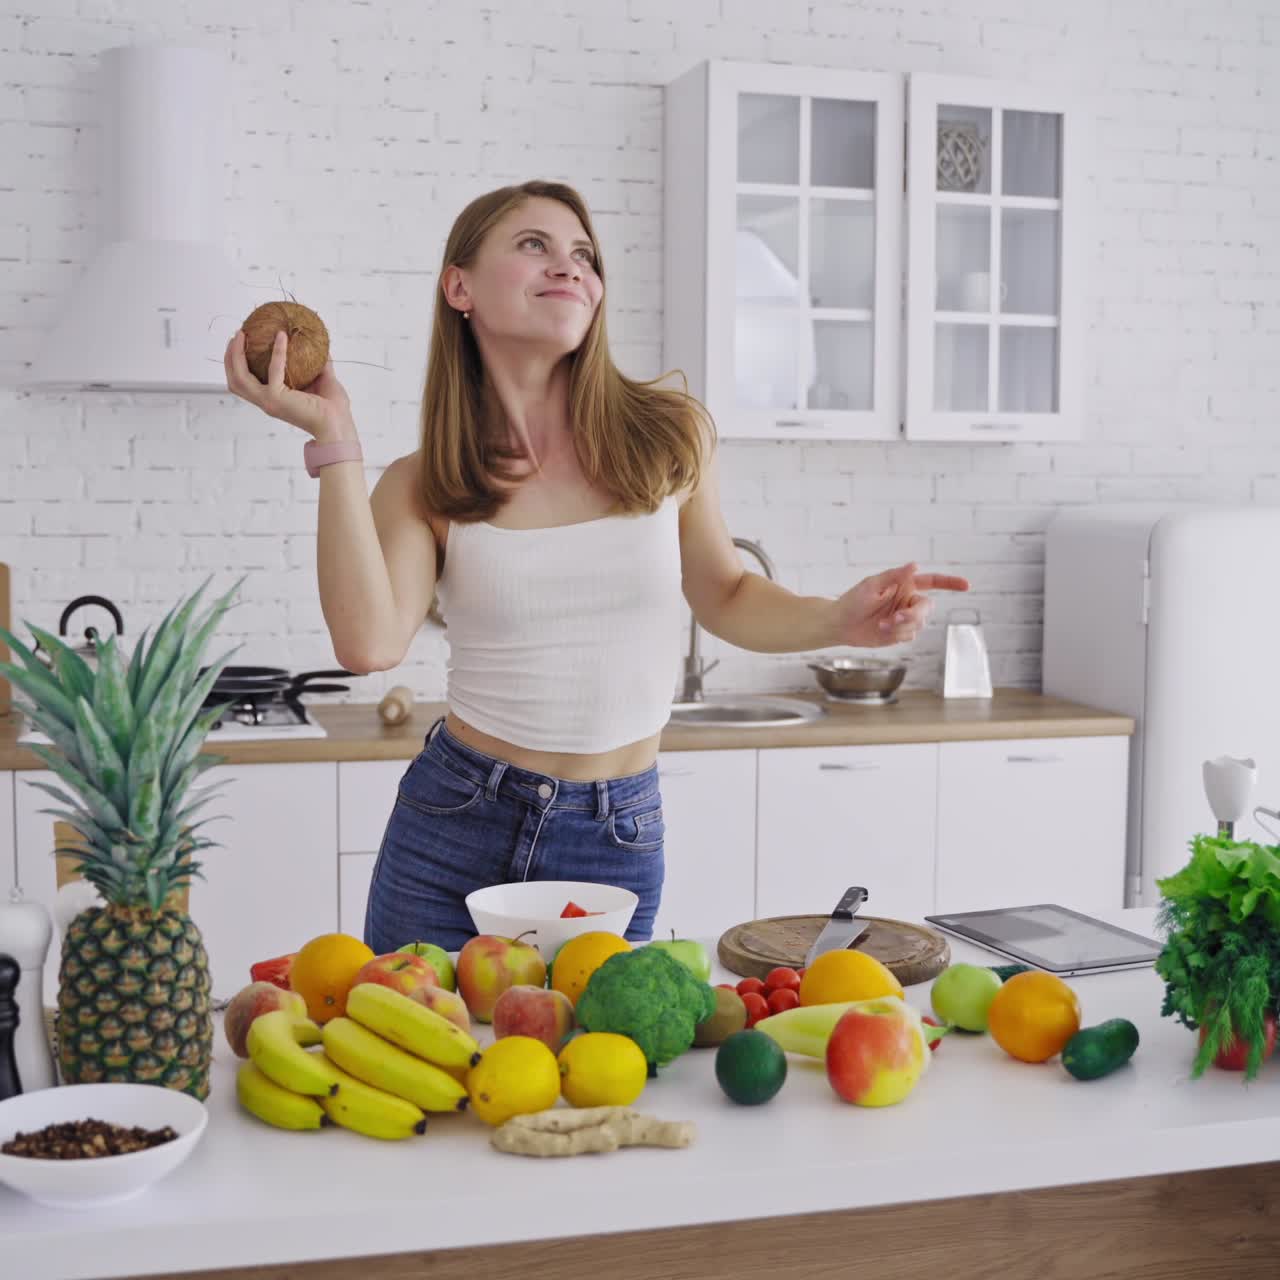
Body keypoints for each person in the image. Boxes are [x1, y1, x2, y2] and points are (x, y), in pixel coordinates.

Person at [224, 179, 970, 952]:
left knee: (598, 1071)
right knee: (426, 1067)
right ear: (460, 287)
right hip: (455, 825)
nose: (569, 266)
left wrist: (837, 618)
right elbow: (368, 645)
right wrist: (334, 438)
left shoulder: (668, 435)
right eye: (533, 245)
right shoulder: (425, 482)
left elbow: (726, 592)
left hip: (614, 836)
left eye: (584, 254)